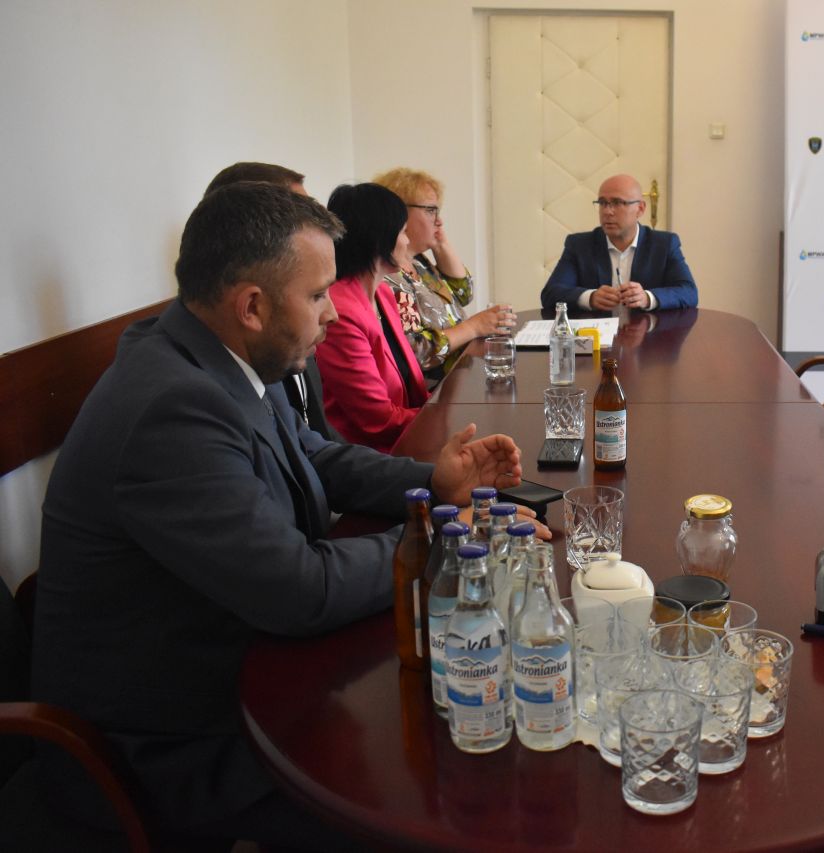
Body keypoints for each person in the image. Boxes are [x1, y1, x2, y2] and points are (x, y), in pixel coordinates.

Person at [31, 182, 529, 850]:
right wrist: (440, 533)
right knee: (438, 793)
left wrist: (434, 484)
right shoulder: (170, 409)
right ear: (252, 306)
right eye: (318, 294)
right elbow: (301, 587)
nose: (334, 312)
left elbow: (314, 453)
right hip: (170, 749)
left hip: (247, 668)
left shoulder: (208, 353)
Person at [205, 161, 339, 441]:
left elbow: (311, 445)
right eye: (293, 214)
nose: (332, 314)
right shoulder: (193, 407)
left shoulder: (273, 347)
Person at [316, 183, 429, 452]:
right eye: (403, 232)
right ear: (380, 239)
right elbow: (378, 421)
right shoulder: (341, 313)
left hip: (407, 439)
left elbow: (413, 393)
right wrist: (445, 418)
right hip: (373, 457)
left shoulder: (384, 294)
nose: (407, 242)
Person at [372, 167, 515, 376]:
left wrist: (440, 244)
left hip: (461, 374)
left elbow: (464, 292)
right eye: (431, 211)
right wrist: (473, 328)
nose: (439, 221)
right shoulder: (389, 278)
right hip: (436, 389)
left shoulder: (419, 263)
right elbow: (417, 352)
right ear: (399, 213)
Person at [540, 173, 698, 311]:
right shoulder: (579, 245)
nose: (607, 211)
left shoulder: (664, 244)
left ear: (640, 209)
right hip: (596, 334)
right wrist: (590, 297)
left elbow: (689, 292)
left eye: (617, 203)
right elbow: (551, 294)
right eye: (602, 203)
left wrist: (647, 298)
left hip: (648, 332)